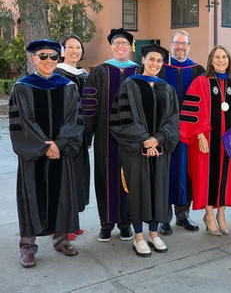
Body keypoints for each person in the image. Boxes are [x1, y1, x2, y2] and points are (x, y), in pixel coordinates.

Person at [9, 40, 83, 268]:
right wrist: (45, 145)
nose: (49, 61)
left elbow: (75, 120)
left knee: (62, 196)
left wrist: (59, 145)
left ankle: (60, 240)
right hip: (35, 154)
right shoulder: (22, 87)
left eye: (53, 56)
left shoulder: (68, 87)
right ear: (34, 59)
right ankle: (28, 247)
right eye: (43, 56)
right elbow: (22, 122)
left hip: (60, 152)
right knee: (31, 196)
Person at [109, 44, 180, 257]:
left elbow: (173, 121)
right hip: (135, 150)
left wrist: (158, 139)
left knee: (158, 189)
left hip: (160, 149)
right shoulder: (129, 85)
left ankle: (153, 233)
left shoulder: (167, 89)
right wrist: (144, 140)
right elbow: (121, 118)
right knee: (138, 190)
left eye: (159, 61)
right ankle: (138, 236)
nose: (155, 64)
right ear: (143, 60)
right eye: (151, 59)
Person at [179, 45, 231, 236]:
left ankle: (221, 214)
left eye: (224, 57)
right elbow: (192, 110)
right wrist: (200, 135)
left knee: (226, 177)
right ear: (211, 60)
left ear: (229, 60)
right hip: (207, 140)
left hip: (228, 141)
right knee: (207, 177)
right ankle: (209, 214)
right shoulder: (201, 82)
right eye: (217, 57)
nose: (221, 60)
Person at [83, 28, 139, 242]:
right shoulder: (100, 71)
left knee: (130, 177)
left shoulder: (139, 70)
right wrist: (88, 135)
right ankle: (106, 223)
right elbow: (89, 105)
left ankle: (126, 223)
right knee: (105, 176)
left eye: (124, 43)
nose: (121, 47)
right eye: (117, 43)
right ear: (111, 47)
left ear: (130, 47)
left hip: (132, 137)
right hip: (105, 136)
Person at [156, 30, 205, 236]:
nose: (180, 47)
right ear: (170, 45)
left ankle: (183, 215)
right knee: (165, 172)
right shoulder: (160, 68)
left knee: (186, 172)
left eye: (183, 44)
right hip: (164, 131)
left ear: (189, 46)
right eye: (176, 43)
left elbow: (203, 103)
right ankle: (164, 218)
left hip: (188, 133)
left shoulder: (198, 70)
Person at [55, 34, 90, 240]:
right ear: (62, 50)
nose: (75, 51)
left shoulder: (84, 75)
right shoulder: (58, 75)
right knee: (64, 180)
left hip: (81, 136)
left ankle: (73, 221)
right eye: (70, 47)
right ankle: (63, 226)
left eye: (78, 47)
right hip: (65, 136)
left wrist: (88, 138)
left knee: (77, 179)